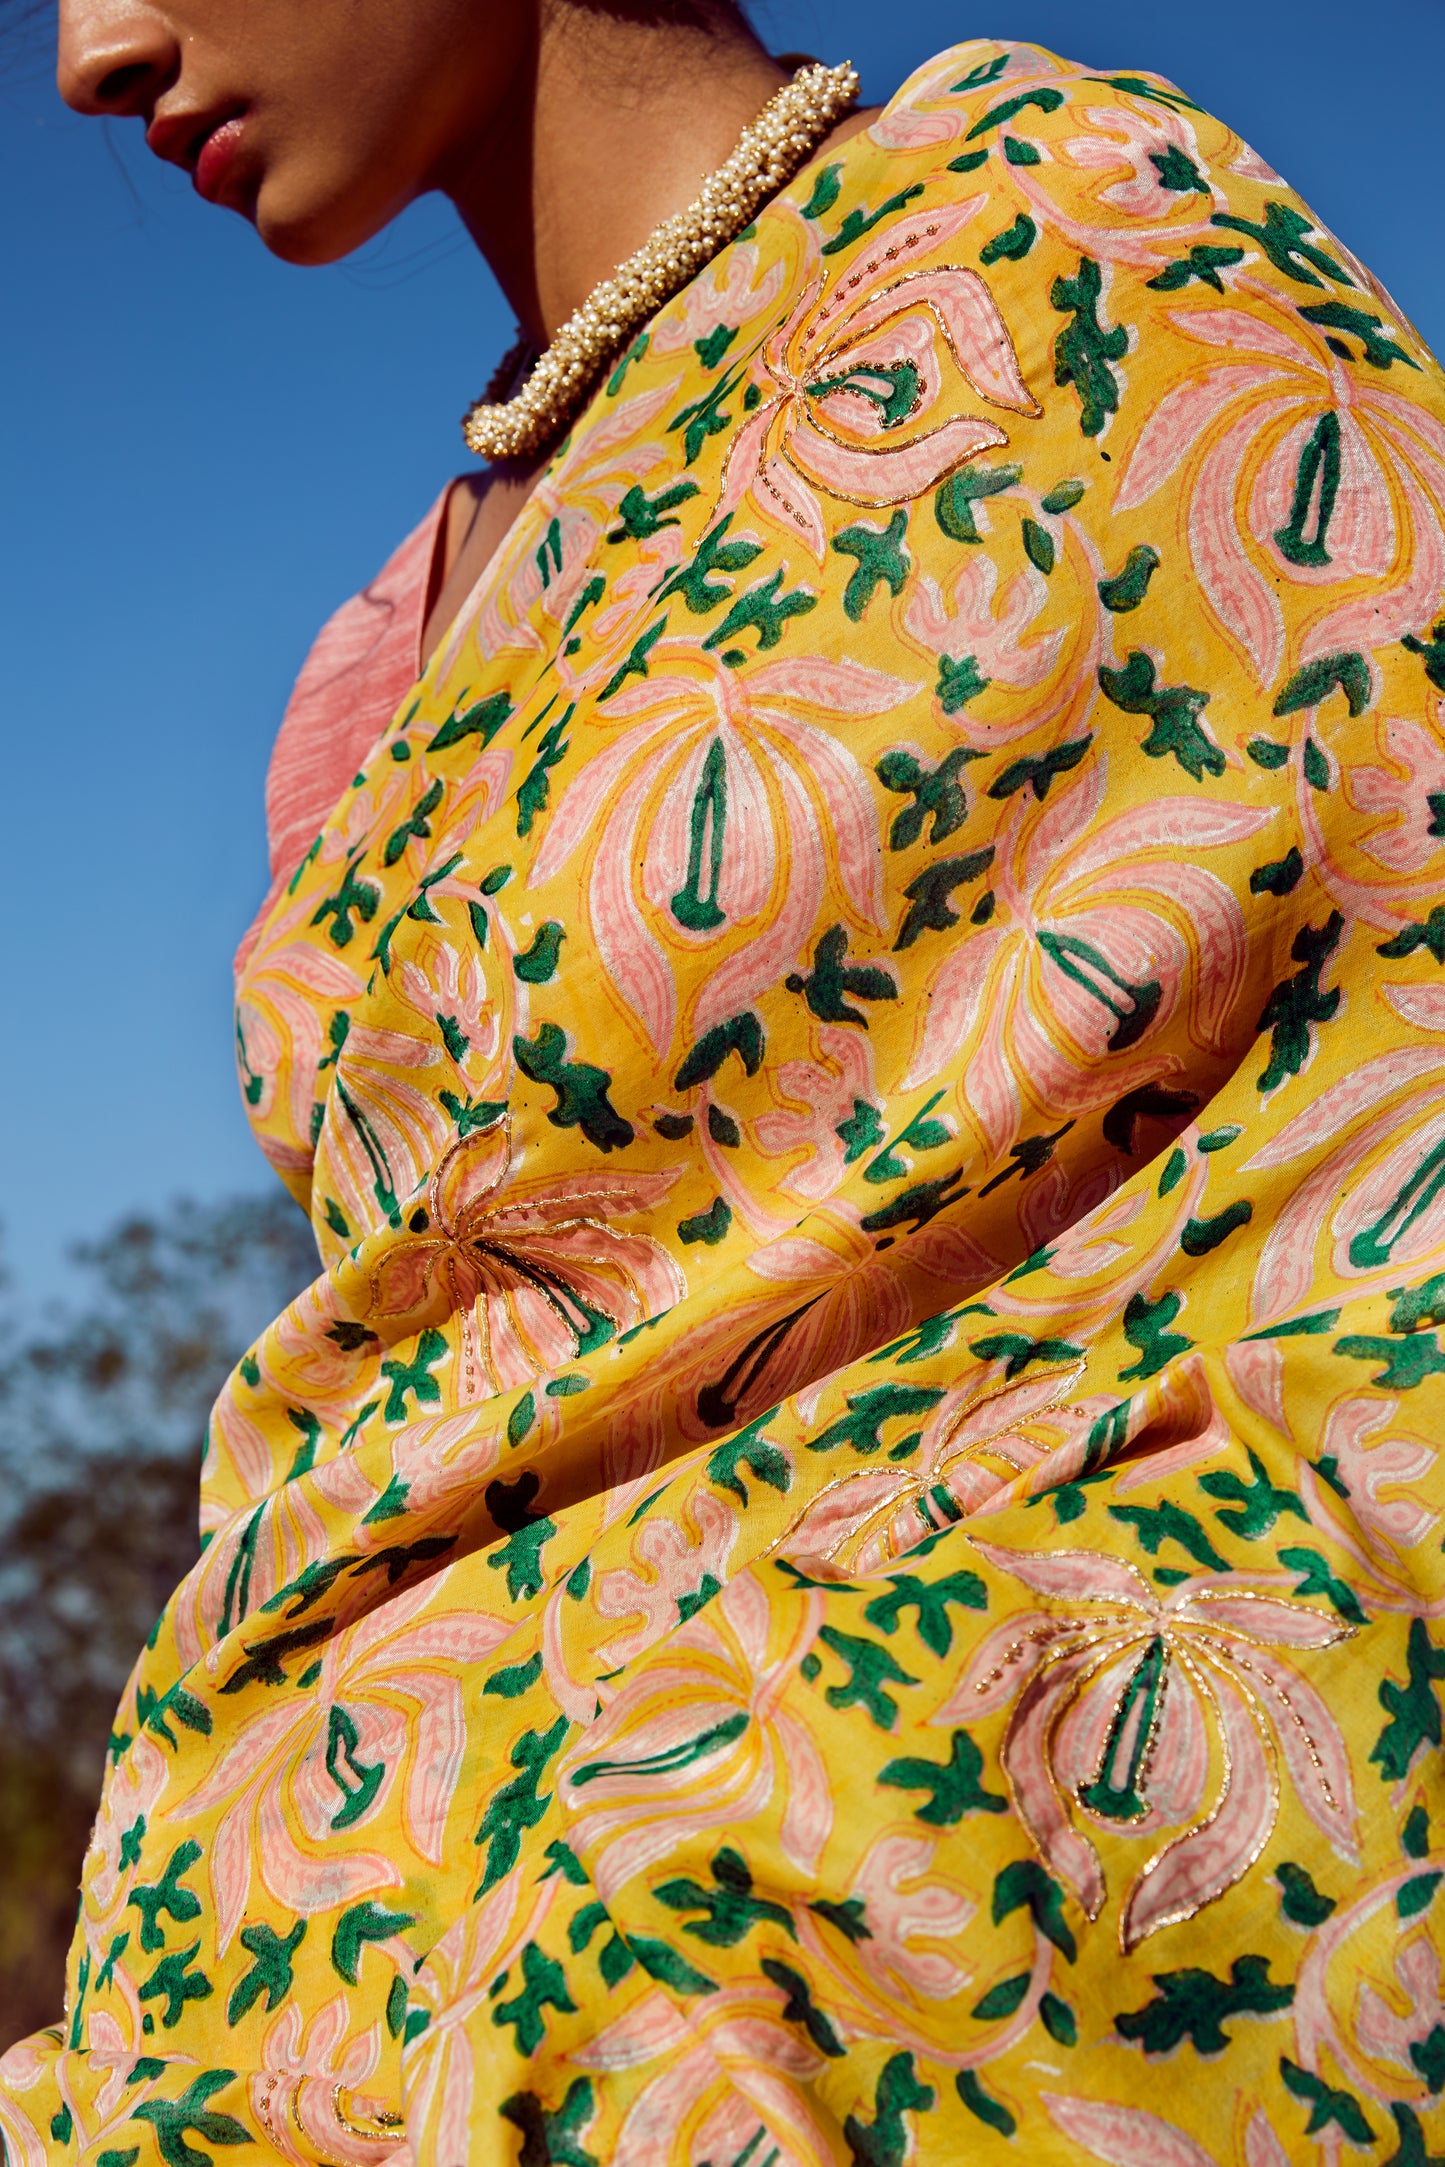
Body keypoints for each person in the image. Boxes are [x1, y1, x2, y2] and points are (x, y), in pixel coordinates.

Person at [6, 0, 1444, 2157]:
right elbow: (455, 1395)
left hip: (926, 1860)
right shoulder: (370, 691)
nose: (88, 59)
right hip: (300, 1908)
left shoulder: (1066, 240)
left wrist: (738, 1835)